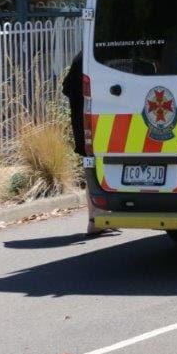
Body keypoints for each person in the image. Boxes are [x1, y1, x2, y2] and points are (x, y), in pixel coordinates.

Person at [62, 52, 111, 237]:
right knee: (96, 170)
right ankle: (95, 220)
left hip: (82, 123)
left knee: (92, 168)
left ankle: (99, 217)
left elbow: (66, 88)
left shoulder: (80, 58)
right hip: (96, 122)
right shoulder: (98, 57)